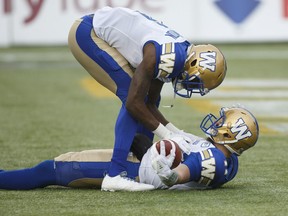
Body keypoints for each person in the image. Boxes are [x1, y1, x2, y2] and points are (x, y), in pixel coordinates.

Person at [68, 6, 227, 191]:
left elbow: (150, 104)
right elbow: (134, 103)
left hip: (98, 30)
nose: (190, 86)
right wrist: (167, 135)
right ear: (193, 64)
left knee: (147, 98)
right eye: (196, 82)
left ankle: (142, 159)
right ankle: (114, 174)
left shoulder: (179, 56)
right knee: (130, 93)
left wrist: (176, 132)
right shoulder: (171, 58)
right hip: (89, 33)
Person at [0, 106, 258, 191]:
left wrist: (162, 165)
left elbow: (176, 175)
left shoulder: (210, 157)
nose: (216, 123)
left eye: (223, 123)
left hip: (137, 170)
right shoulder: (227, 159)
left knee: (54, 168)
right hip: (146, 160)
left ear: (231, 134)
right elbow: (178, 137)